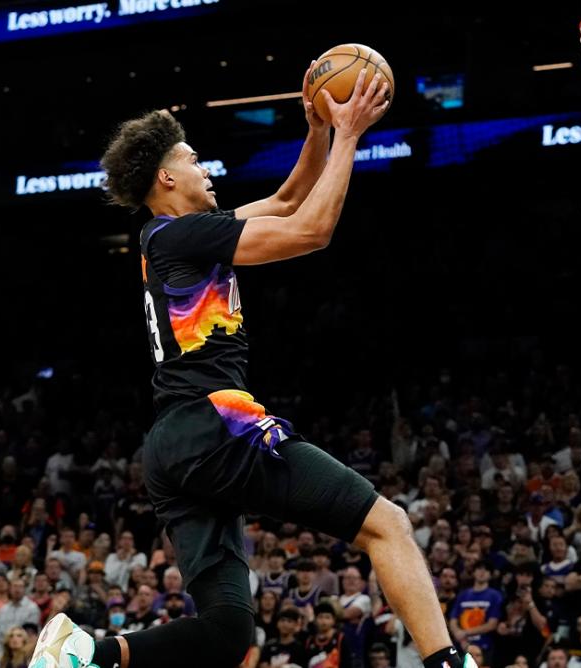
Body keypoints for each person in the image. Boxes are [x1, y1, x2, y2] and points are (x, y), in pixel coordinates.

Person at [27, 63, 468, 668]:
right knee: (386, 523)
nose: (205, 168)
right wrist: (349, 135)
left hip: (171, 446)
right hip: (216, 424)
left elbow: (289, 198)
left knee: (229, 632)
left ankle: (87, 654)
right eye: (193, 159)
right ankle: (448, 662)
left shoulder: (180, 236)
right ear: (166, 177)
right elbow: (309, 230)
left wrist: (316, 128)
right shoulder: (177, 236)